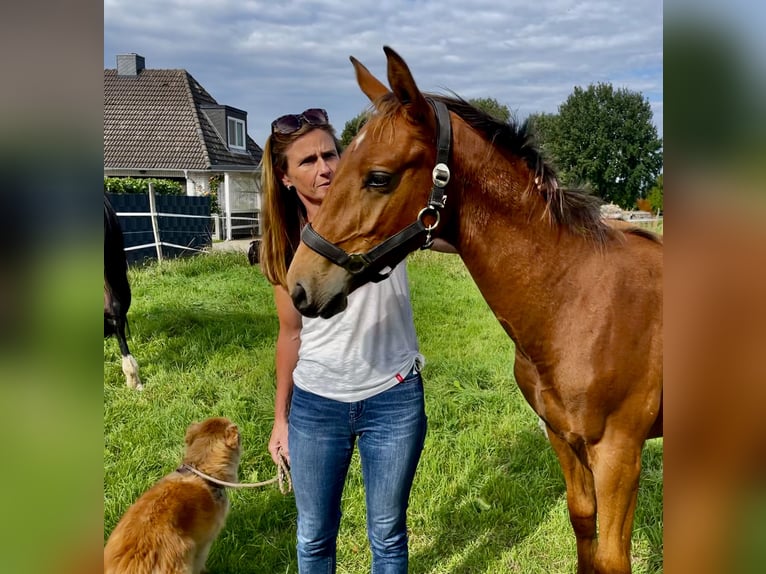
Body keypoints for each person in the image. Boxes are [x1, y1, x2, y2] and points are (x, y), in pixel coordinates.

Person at [259, 108, 428, 574]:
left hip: (393, 397)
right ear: (286, 177)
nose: (325, 168)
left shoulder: (382, 210)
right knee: (314, 536)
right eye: (308, 161)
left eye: (329, 154)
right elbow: (290, 333)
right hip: (317, 404)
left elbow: (454, 229)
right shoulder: (284, 242)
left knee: (388, 533)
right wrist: (281, 419)